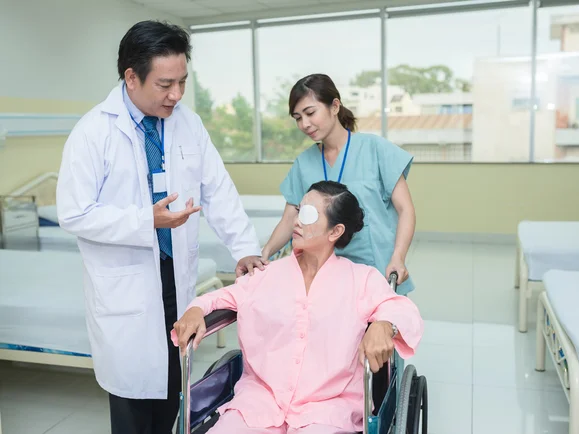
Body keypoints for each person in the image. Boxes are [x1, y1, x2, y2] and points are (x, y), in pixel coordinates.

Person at [55, 20, 267, 434]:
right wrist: (144, 220)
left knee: (174, 389)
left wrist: (244, 247)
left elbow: (218, 189)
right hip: (127, 287)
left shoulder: (188, 123)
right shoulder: (93, 132)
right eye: (165, 84)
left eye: (183, 82)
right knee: (134, 404)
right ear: (131, 77)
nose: (176, 94)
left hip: (177, 279)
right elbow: (74, 213)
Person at [172, 181, 424, 434]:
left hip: (328, 410)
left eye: (308, 214)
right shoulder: (265, 275)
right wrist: (196, 309)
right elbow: (217, 298)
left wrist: (383, 325)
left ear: (335, 231)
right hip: (259, 404)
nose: (296, 222)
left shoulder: (361, 279)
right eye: (298, 211)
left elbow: (403, 311)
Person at [262, 73, 416, 296]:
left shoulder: (375, 149)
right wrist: (265, 253)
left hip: (378, 270)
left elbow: (406, 210)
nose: (304, 124)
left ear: (335, 106)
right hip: (325, 276)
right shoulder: (304, 163)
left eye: (310, 113)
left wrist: (398, 258)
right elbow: (289, 218)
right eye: (297, 117)